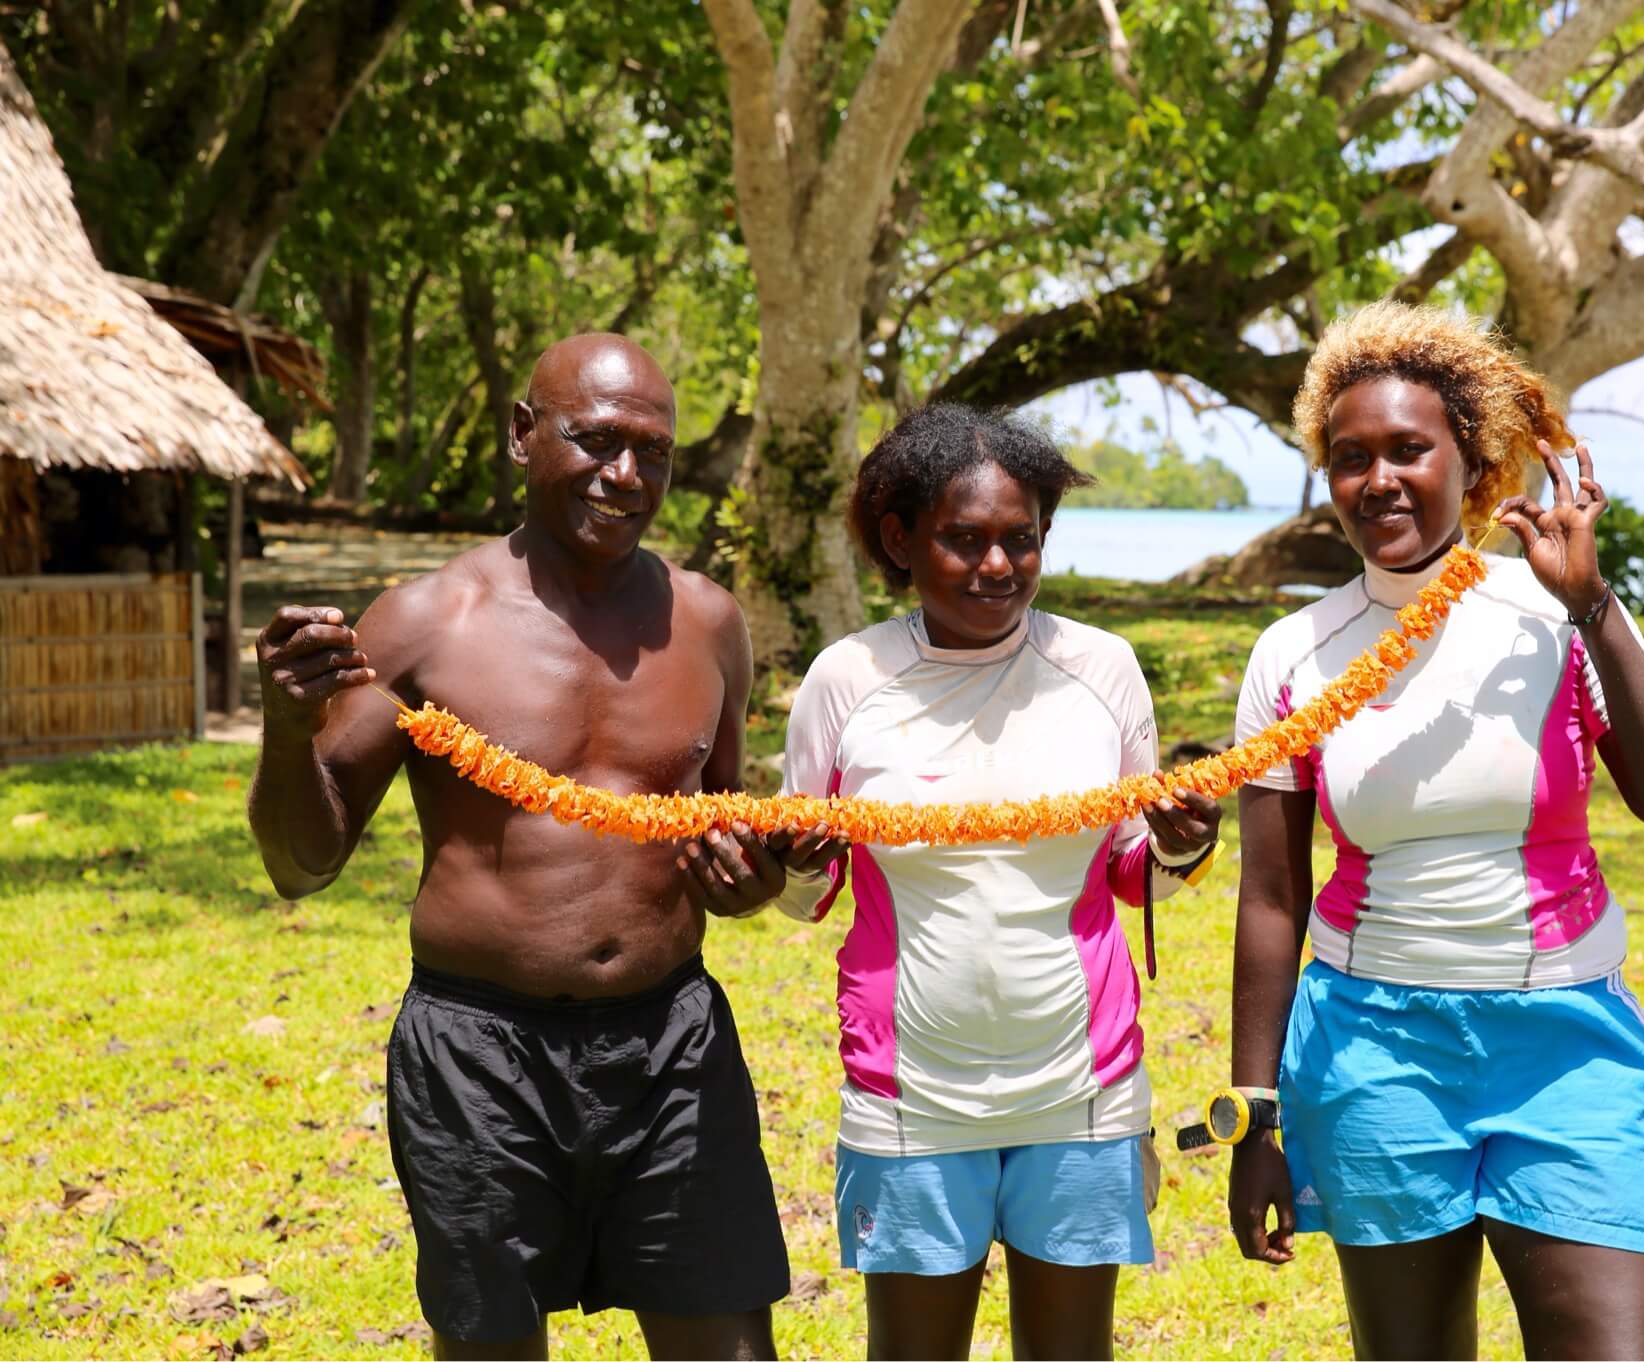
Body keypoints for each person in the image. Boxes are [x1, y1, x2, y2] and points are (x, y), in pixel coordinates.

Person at [247, 334, 812, 1361]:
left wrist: (751, 876)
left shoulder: (707, 622)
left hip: (671, 1049)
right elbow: (303, 862)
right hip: (479, 1059)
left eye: (654, 451)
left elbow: (719, 852)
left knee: (728, 1347)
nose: (626, 476)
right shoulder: (424, 624)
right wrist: (290, 732)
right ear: (521, 434)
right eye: (594, 440)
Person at [1226, 302, 1644, 1361]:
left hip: (1563, 1044)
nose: (1378, 480)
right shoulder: (1293, 652)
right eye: (1348, 458)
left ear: (1470, 459)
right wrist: (1254, 1114)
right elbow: (1269, 897)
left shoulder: (1553, 608)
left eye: (1408, 449)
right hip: (1372, 1048)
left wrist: (1590, 605)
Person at [751, 403, 1220, 1360]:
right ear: (899, 538)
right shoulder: (848, 680)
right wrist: (794, 865)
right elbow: (806, 898)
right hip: (909, 1092)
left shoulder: (1102, 670)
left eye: (1023, 541)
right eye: (964, 541)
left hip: (1084, 1088)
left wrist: (1180, 844)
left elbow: (1138, 876)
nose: (998, 567)